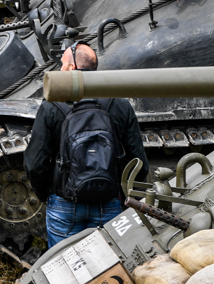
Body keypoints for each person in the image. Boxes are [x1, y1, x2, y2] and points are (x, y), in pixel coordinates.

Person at [24, 41, 148, 247]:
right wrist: (124, 195)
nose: (60, 69)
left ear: (72, 67)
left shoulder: (52, 105)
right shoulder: (120, 104)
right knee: (111, 259)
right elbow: (138, 161)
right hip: (109, 201)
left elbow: (35, 163)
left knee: (64, 261)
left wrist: (48, 194)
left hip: (64, 202)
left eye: (62, 64)